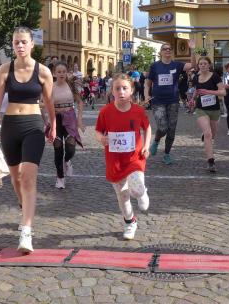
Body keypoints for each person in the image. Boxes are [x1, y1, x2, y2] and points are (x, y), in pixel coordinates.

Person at [0, 27, 55, 253]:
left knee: (27, 177)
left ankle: (26, 231)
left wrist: (53, 124)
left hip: (33, 126)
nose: (20, 46)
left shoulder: (43, 71)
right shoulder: (4, 70)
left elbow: (49, 102)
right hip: (10, 127)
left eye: (24, 42)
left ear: (32, 44)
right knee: (15, 178)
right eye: (16, 42)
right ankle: (23, 206)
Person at [95, 73, 151, 240]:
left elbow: (147, 128)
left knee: (137, 190)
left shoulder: (138, 111)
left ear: (131, 90)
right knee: (123, 195)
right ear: (112, 91)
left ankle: (142, 192)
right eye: (117, 88)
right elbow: (98, 131)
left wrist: (146, 146)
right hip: (115, 160)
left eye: (125, 88)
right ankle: (130, 222)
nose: (121, 92)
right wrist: (101, 139)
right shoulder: (106, 111)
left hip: (135, 158)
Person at [145, 41, 195, 164]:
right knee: (163, 127)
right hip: (157, 101)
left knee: (171, 130)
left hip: (173, 101)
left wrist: (193, 49)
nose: (168, 50)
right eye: (165, 49)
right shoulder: (155, 66)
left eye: (170, 48)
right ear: (160, 52)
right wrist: (146, 95)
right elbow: (148, 84)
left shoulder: (177, 65)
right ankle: (156, 140)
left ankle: (167, 154)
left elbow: (193, 65)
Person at [49, 62, 84, 189]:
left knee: (70, 149)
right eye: (59, 72)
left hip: (70, 118)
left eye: (64, 71)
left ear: (67, 73)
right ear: (54, 73)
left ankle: (67, 160)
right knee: (58, 148)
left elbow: (80, 102)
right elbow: (45, 104)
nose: (61, 74)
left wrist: (79, 120)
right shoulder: (50, 87)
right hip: (56, 119)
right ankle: (60, 178)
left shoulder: (71, 85)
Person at [192, 57, 226, 173]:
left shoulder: (215, 76)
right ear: (198, 66)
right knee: (208, 134)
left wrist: (209, 92)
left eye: (205, 64)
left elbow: (223, 92)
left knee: (212, 135)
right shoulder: (196, 77)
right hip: (201, 109)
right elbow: (196, 90)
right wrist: (192, 99)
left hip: (214, 109)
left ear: (209, 65)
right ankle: (211, 161)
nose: (203, 65)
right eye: (200, 64)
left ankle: (206, 137)